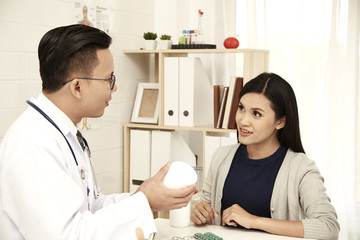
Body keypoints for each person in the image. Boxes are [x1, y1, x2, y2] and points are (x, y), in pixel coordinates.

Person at [0, 24, 196, 240]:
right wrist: (145, 202)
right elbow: (68, 235)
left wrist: (142, 196)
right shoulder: (32, 144)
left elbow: (90, 207)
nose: (114, 88)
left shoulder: (63, 134)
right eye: (109, 79)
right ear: (77, 87)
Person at [191, 73, 340, 239]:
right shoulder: (222, 156)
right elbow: (204, 205)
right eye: (241, 108)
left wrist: (254, 221)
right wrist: (199, 211)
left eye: (256, 114)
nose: (243, 121)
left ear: (280, 122)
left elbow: (328, 227)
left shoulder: (301, 168)